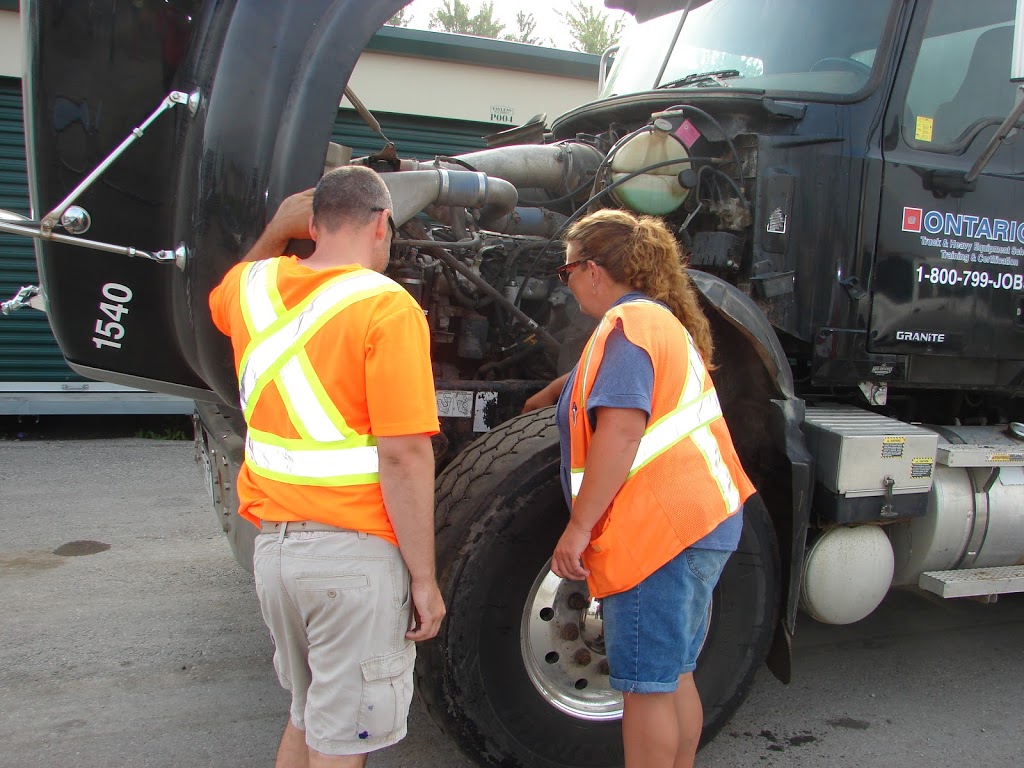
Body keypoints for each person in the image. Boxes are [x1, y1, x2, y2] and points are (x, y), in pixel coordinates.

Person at [208, 166, 445, 768]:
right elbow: (403, 452)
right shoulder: (388, 307)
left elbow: (225, 291)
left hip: (275, 555)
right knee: (344, 744)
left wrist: (276, 229)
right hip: (352, 563)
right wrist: (423, 577)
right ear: (383, 223)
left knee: (308, 718)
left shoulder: (250, 288)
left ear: (310, 225)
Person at [523, 208, 754, 768]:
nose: (568, 282)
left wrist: (578, 529)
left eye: (567, 271)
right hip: (699, 523)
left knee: (647, 688)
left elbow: (623, 430)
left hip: (662, 535)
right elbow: (600, 383)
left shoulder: (627, 328)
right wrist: (552, 395)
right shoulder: (654, 322)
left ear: (594, 270)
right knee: (673, 676)